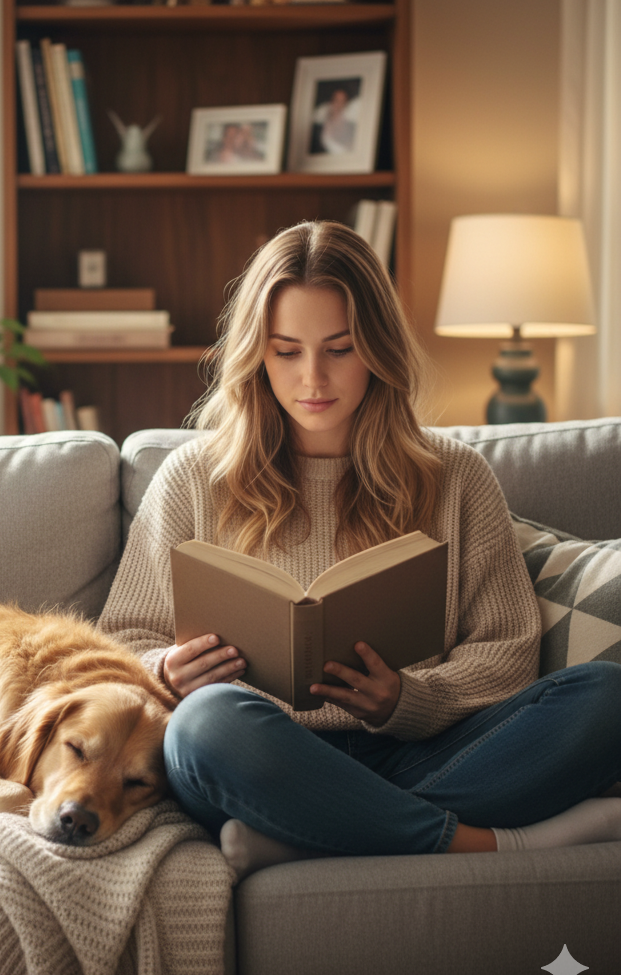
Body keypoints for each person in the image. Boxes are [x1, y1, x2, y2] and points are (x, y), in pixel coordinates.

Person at [97, 220, 621, 880]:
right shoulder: (195, 479)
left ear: (376, 349)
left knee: (607, 696)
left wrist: (408, 699)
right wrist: (168, 671)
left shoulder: (454, 476)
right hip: (258, 756)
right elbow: (113, 647)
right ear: (257, 355)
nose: (312, 377)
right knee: (204, 726)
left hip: (423, 752)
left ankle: (311, 832)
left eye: (339, 349)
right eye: (286, 351)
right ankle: (472, 843)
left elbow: (508, 652)